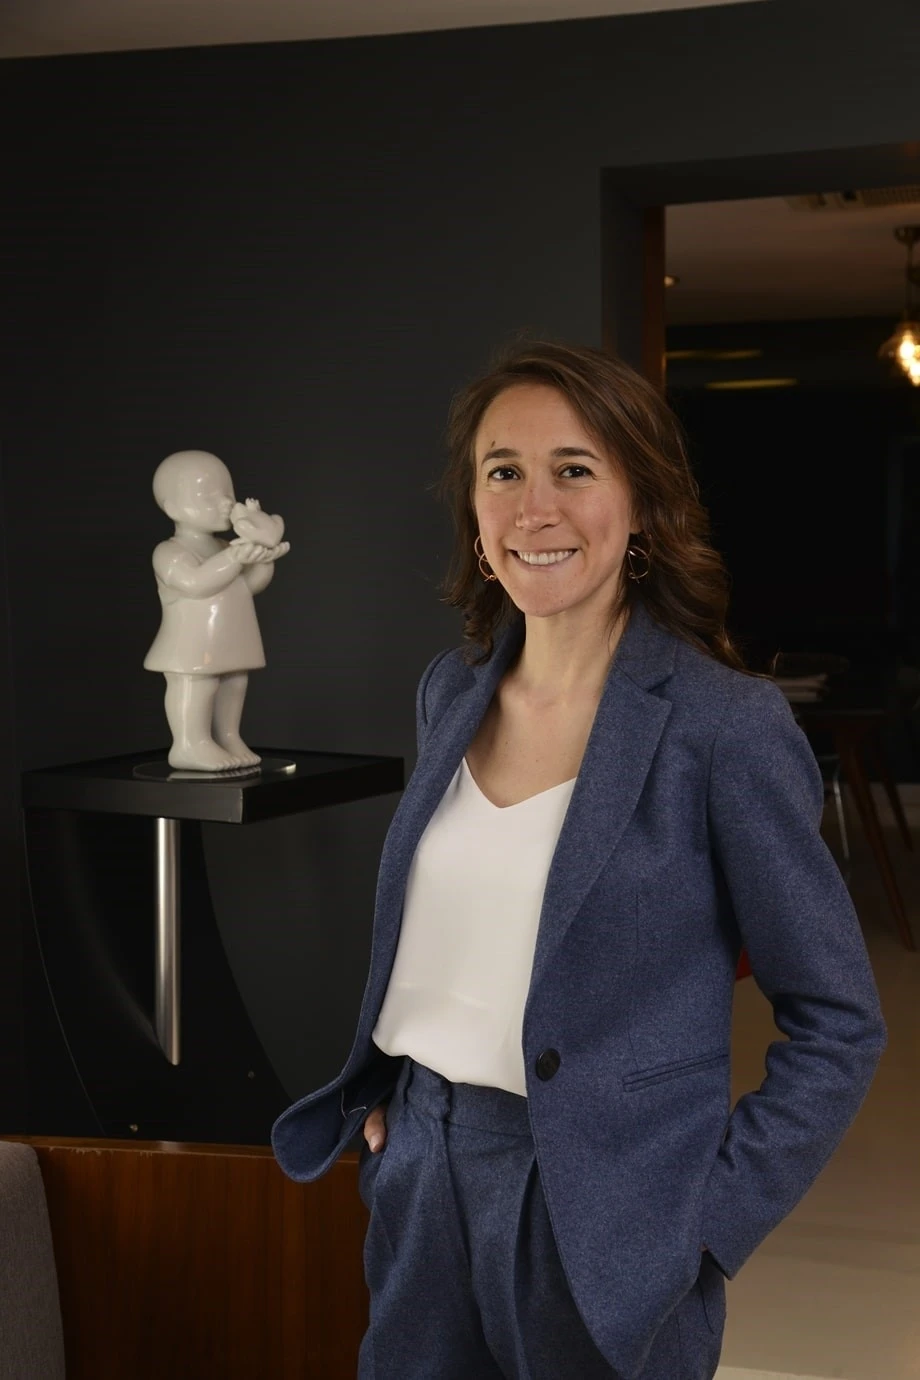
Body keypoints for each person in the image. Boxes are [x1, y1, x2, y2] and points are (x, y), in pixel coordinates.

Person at [271, 342, 887, 1379]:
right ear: (474, 511)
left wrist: (703, 1225)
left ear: (640, 504)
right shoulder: (449, 690)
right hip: (421, 1174)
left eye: (574, 469)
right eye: (503, 471)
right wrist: (401, 1107)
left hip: (609, 1216)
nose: (534, 507)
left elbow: (839, 1021)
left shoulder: (721, 726)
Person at [143, 449, 289, 772]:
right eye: (208, 496)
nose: (225, 502)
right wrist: (235, 558)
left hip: (230, 639)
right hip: (191, 645)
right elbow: (195, 583)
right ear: (172, 507)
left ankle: (228, 736)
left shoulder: (225, 547)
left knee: (234, 683)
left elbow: (248, 586)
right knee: (198, 685)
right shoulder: (169, 552)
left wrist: (263, 562)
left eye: (228, 493)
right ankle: (189, 743)